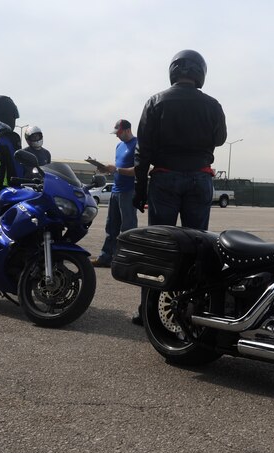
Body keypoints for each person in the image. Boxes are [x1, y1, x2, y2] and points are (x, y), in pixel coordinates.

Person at [130, 49, 227, 325]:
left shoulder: (156, 101)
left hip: (165, 179)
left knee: (160, 246)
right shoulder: (212, 105)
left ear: (173, 71)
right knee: (198, 246)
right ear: (200, 73)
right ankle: (196, 307)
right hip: (199, 178)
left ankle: (148, 311)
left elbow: (143, 151)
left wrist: (139, 189)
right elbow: (220, 138)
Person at [91, 119, 138, 267]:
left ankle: (126, 261)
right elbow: (118, 168)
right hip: (116, 191)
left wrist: (116, 169)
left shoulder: (138, 145)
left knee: (128, 228)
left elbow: (138, 170)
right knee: (111, 227)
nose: (117, 136)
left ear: (127, 130)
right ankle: (106, 257)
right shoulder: (119, 146)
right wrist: (106, 169)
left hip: (128, 192)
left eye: (118, 133)